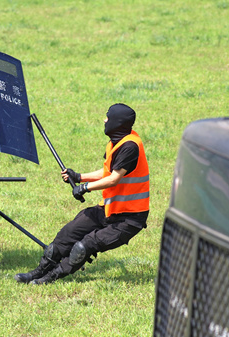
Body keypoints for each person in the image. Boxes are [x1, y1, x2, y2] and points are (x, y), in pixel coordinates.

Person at [15, 103, 149, 284]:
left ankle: (50, 278)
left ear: (117, 122)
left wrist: (85, 187)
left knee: (84, 246)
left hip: (129, 220)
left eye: (108, 118)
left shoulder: (130, 147)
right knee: (67, 234)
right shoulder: (115, 142)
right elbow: (107, 172)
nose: (104, 120)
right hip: (109, 209)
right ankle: (37, 272)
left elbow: (113, 179)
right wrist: (78, 177)